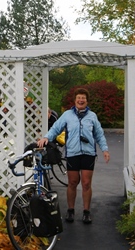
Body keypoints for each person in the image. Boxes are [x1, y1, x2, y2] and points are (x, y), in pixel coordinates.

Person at [37, 88, 110, 224]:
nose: (81, 100)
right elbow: (55, 128)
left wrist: (104, 150)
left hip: (88, 153)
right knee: (72, 182)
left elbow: (99, 134)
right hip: (72, 153)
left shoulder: (92, 116)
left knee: (86, 183)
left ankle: (86, 211)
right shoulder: (67, 115)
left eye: (83, 98)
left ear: (87, 101)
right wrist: (46, 138)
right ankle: (70, 210)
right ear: (75, 100)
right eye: (79, 98)